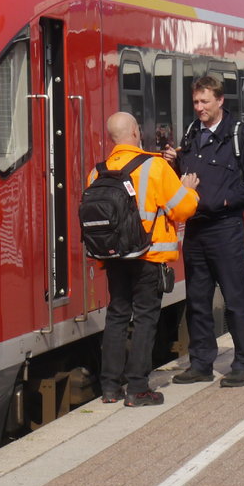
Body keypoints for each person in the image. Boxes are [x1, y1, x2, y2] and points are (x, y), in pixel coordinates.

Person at [164, 75, 244, 388]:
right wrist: (174, 164)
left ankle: (243, 364)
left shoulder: (239, 136)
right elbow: (186, 180)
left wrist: (225, 199)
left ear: (220, 101)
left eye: (205, 102)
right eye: (196, 102)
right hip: (195, 229)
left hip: (225, 228)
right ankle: (201, 363)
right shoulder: (191, 134)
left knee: (235, 299)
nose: (199, 108)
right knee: (197, 300)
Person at [93, 111, 199, 407]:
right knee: (145, 319)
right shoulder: (154, 166)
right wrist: (189, 190)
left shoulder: (97, 171)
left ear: (112, 138)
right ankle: (137, 388)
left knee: (116, 316)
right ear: (136, 132)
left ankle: (110, 387)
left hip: (114, 258)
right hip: (148, 257)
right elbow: (181, 210)